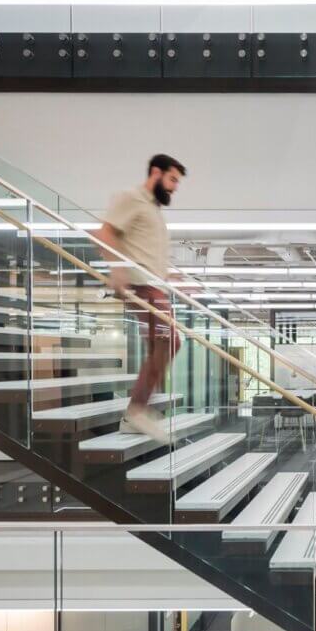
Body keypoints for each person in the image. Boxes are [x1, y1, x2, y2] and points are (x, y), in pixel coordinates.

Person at [89, 154, 187, 442]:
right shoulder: (132, 198)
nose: (175, 187)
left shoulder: (154, 211)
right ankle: (137, 410)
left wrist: (170, 278)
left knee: (163, 344)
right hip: (141, 285)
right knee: (170, 340)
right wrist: (117, 269)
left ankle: (137, 410)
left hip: (155, 285)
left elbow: (144, 249)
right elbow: (104, 233)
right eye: (172, 179)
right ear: (155, 173)